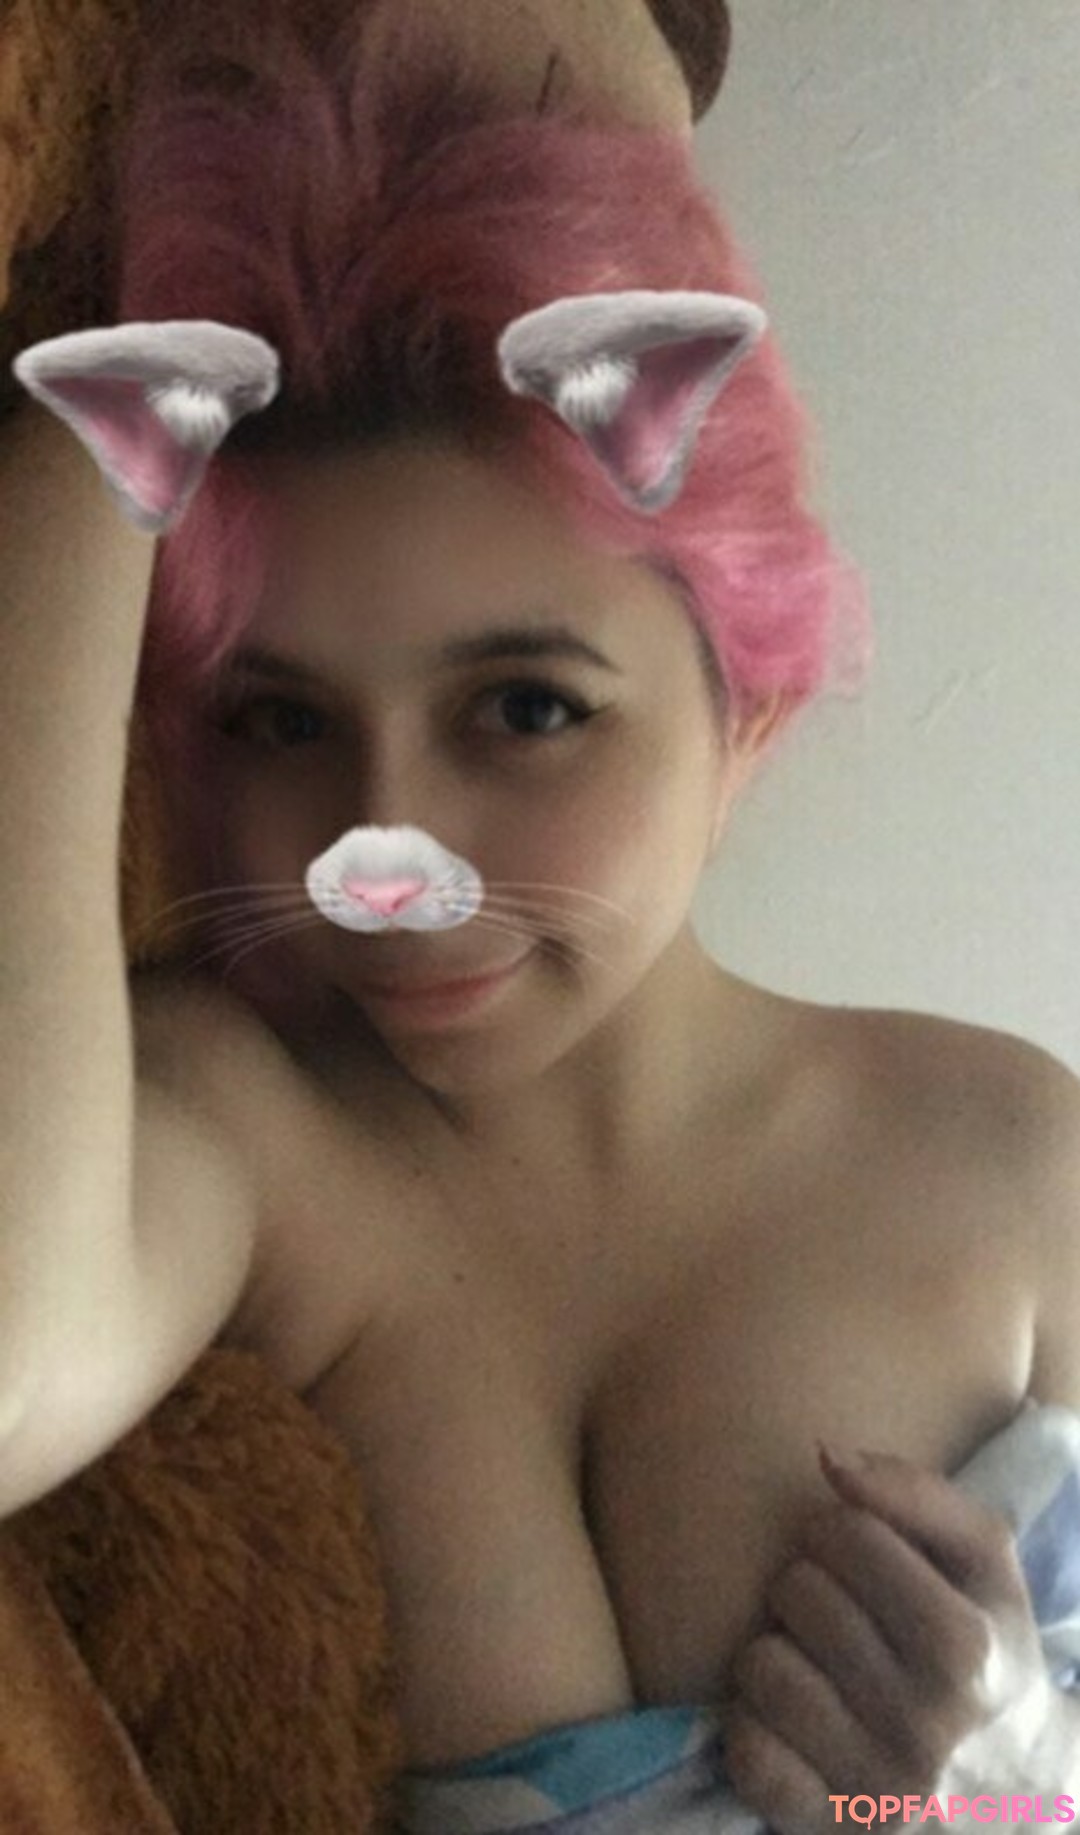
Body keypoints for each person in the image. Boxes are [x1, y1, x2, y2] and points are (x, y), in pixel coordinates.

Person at [3, 9, 1078, 1830]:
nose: (381, 855)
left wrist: (1004, 1785)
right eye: (279, 721)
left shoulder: (1022, 1165)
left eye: (524, 707)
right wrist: (87, 460)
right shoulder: (236, 1129)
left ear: (745, 701)